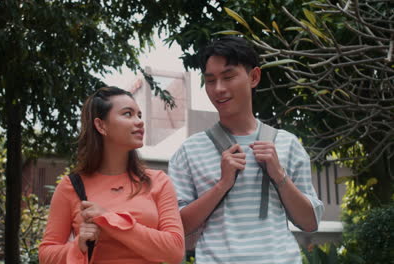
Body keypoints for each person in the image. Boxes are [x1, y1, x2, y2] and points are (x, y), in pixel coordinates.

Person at [168, 36, 324, 263]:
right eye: (210, 81)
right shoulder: (188, 152)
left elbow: (310, 222)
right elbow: (177, 226)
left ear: (254, 77)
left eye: (228, 77)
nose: (219, 89)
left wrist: (279, 175)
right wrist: (222, 185)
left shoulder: (288, 144)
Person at [39, 86, 185, 264]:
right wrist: (77, 246)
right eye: (127, 114)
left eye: (139, 115)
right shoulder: (71, 186)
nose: (139, 121)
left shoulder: (158, 181)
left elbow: (175, 250)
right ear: (101, 125)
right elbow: (46, 255)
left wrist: (111, 221)